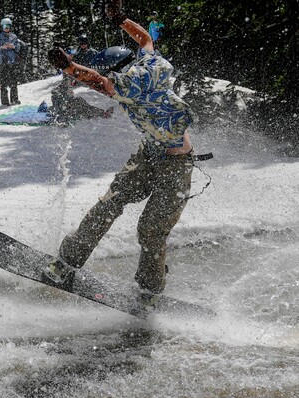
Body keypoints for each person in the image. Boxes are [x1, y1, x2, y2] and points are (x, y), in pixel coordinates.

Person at [47, 0, 195, 309]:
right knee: (110, 203)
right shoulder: (149, 64)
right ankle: (66, 261)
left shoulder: (131, 84)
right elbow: (145, 39)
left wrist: (70, 68)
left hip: (176, 165)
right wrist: (122, 20)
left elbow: (99, 82)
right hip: (149, 153)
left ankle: (149, 292)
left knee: (151, 230)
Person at [0, 18, 21, 106]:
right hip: (3, 61)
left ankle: (14, 99)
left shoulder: (14, 36)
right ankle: (5, 101)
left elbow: (18, 48)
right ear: (2, 27)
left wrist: (13, 46)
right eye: (5, 26)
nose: (6, 28)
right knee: (4, 82)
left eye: (8, 26)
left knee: (14, 82)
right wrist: (2, 47)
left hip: (12, 61)